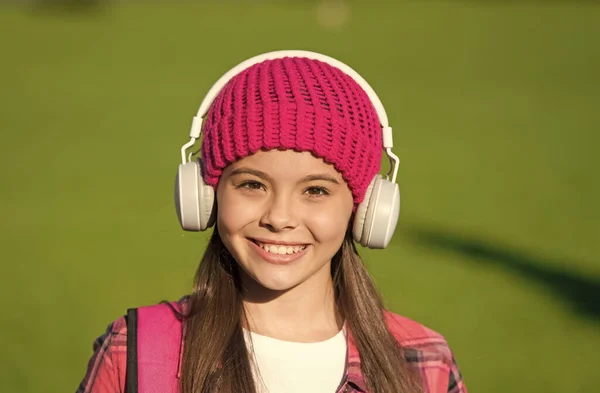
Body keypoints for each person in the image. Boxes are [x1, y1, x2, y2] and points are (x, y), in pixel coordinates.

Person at [77, 50, 467, 393]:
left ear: (365, 208)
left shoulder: (424, 362)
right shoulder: (134, 352)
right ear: (206, 195)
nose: (279, 218)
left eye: (315, 191)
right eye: (252, 184)